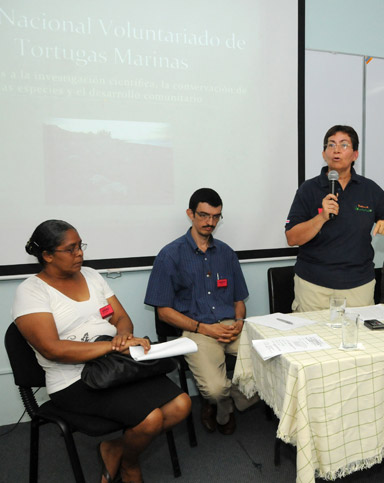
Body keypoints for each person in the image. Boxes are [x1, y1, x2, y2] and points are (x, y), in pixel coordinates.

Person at [12, 220, 191, 483]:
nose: (80, 254)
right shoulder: (31, 291)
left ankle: (115, 448)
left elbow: (122, 319)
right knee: (150, 419)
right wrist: (112, 345)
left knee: (182, 404)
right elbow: (52, 349)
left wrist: (122, 337)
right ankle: (130, 466)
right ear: (47, 256)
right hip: (73, 380)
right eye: (70, 249)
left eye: (80, 246)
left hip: (114, 366)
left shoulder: (92, 276)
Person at [145, 188, 254, 436]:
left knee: (274, 364)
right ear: (190, 214)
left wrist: (239, 320)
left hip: (230, 326)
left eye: (216, 217)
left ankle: (220, 405)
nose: (210, 223)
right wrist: (205, 328)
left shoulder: (226, 253)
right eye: (204, 215)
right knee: (215, 389)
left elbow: (239, 299)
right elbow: (163, 312)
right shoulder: (170, 255)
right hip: (195, 329)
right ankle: (220, 404)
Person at [285, 125, 384, 312]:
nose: (336, 150)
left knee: (359, 339)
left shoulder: (368, 189)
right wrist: (322, 217)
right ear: (324, 153)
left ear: (355, 154)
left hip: (358, 286)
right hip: (314, 287)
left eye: (344, 145)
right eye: (331, 145)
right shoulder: (308, 189)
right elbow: (292, 238)